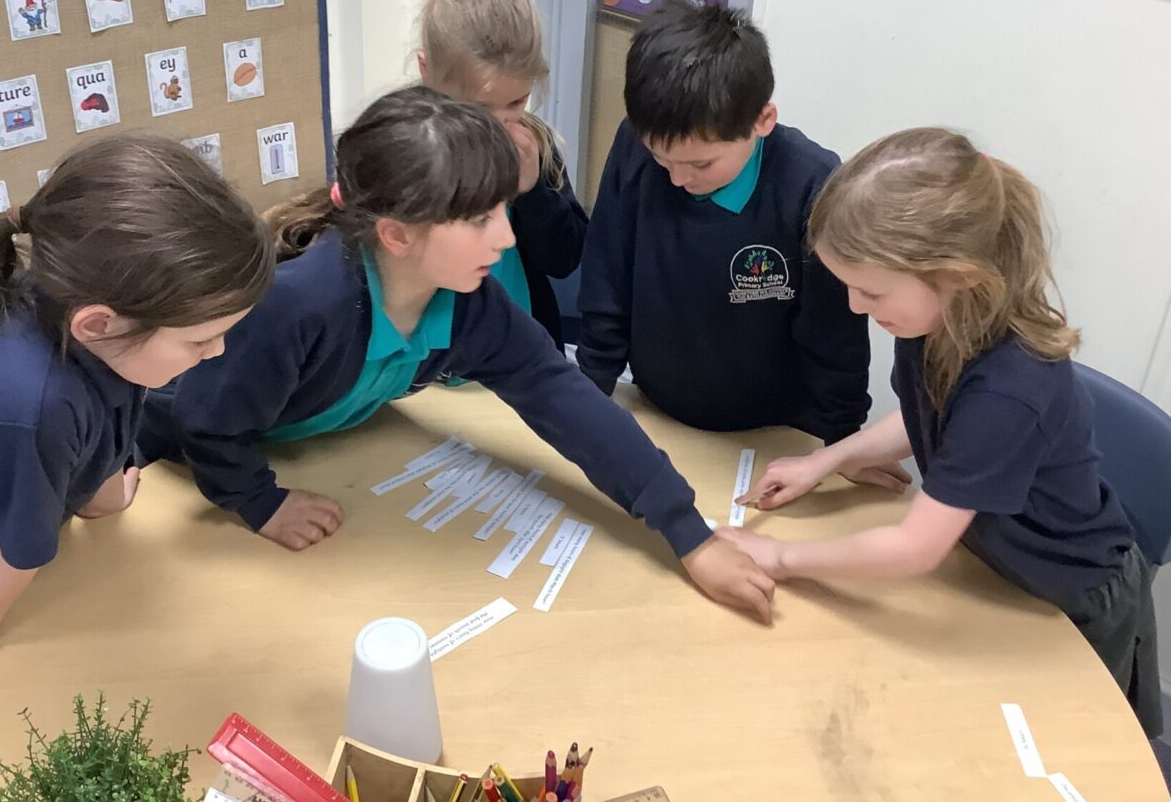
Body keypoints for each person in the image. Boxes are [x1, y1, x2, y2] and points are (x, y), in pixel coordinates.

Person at [140, 86, 775, 622]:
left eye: (502, 209)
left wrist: (688, 534)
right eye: (478, 219)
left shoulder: (468, 302)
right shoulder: (302, 304)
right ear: (397, 235)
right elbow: (202, 418)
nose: (505, 237)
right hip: (170, 453)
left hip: (314, 441)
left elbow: (563, 398)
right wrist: (260, 502)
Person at [0, 134, 277, 791]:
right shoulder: (29, 406)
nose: (216, 353)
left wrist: (100, 492)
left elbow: (108, 417)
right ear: (98, 323)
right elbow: (19, 546)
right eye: (200, 339)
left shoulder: (92, 329)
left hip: (2, 508)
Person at [723, 127, 1161, 737]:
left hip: (1071, 600)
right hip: (991, 567)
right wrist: (830, 460)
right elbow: (927, 417)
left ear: (958, 275)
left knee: (1067, 746)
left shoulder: (1011, 387)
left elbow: (915, 548)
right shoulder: (930, 323)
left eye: (871, 291)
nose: (855, 307)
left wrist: (782, 557)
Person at [578, 0, 870, 442]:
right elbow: (607, 275)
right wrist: (589, 394)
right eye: (662, 159)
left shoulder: (812, 185)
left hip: (772, 427)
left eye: (701, 164)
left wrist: (839, 440)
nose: (678, 179)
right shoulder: (634, 147)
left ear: (762, 120)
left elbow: (835, 337)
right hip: (655, 406)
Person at [416, 0, 586, 347]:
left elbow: (565, 259)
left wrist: (533, 193)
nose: (497, 125)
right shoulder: (404, 148)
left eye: (515, 102)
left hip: (522, 350)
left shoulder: (534, 145)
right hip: (428, 360)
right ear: (427, 71)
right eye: (478, 108)